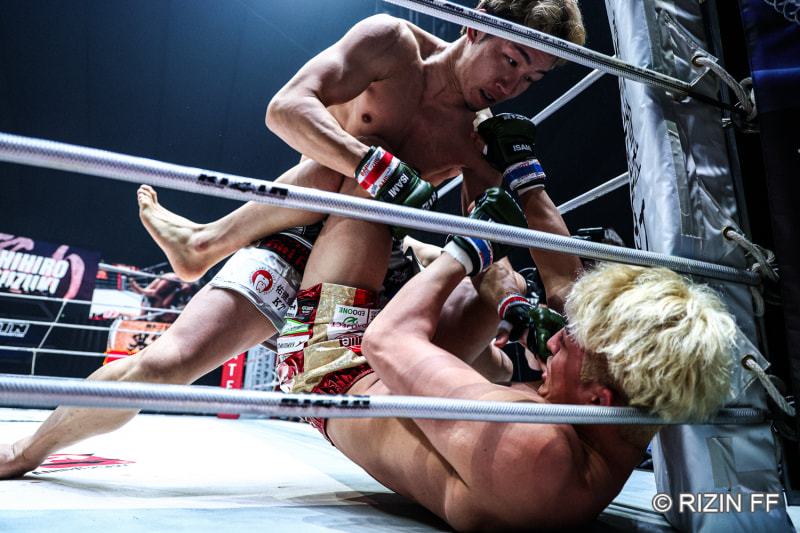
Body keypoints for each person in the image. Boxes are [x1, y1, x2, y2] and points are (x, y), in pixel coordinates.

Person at [0, 0, 584, 478]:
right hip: (298, 233)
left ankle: (514, 366)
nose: (512, 85)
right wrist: (370, 165)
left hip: (377, 261)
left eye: (531, 77)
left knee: (485, 304)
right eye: (510, 59)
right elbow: (286, 108)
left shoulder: (481, 139)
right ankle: (26, 451)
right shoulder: (391, 45)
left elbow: (494, 237)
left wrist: (522, 307)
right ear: (476, 24)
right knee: (165, 365)